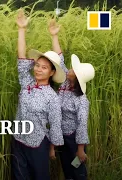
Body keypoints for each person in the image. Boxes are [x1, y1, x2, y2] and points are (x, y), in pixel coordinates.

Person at [11, 9, 66, 180]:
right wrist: (21, 29)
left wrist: (51, 148)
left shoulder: (52, 97)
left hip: (37, 144)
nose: (38, 69)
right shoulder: (27, 83)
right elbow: (21, 58)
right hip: (18, 139)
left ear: (51, 73)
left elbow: (56, 125)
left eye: (44, 67)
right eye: (37, 65)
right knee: (20, 176)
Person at [48, 19, 95, 180]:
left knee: (78, 169)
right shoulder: (65, 82)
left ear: (78, 77)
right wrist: (54, 36)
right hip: (62, 137)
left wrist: (81, 149)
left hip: (75, 140)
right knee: (67, 169)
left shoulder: (81, 100)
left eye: (74, 70)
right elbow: (59, 60)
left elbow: (82, 124)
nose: (70, 69)